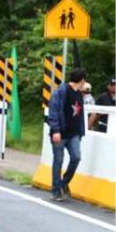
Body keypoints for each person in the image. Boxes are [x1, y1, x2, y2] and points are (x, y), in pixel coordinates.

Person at [47, 68, 87, 201]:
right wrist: (56, 130)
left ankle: (64, 182)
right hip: (61, 133)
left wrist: (81, 132)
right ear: (81, 80)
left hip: (74, 133)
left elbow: (80, 114)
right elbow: (53, 111)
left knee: (76, 157)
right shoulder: (61, 92)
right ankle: (55, 190)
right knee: (58, 161)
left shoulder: (79, 94)